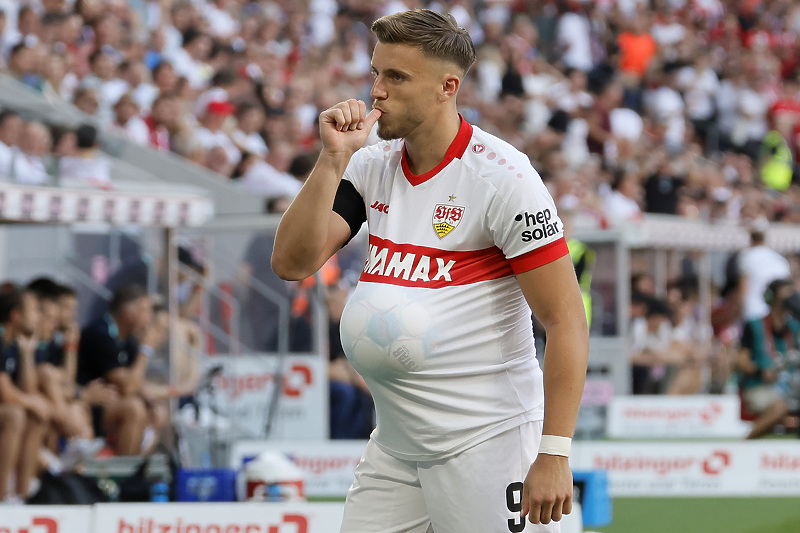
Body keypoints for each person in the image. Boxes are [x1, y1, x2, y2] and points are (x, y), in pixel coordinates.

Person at [271, 9, 588, 532]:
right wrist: (331, 161)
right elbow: (292, 262)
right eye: (375, 73)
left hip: (488, 444)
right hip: (396, 445)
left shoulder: (503, 179)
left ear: (447, 86)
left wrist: (554, 452)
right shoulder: (370, 165)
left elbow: (565, 321)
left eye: (396, 77)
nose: (376, 91)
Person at [77, 284, 158, 456]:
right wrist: (146, 350)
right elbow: (128, 386)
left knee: (156, 413)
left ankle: (136, 474)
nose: (149, 318)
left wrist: (152, 404)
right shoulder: (99, 333)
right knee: (134, 409)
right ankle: (125, 475)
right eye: (145, 311)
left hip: (110, 403)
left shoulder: (127, 339)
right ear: (127, 312)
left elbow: (135, 383)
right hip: (89, 405)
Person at [737, 278, 800, 439]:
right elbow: (741, 361)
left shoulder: (794, 327)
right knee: (780, 407)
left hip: (791, 387)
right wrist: (762, 371)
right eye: (785, 294)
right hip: (760, 386)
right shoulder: (754, 325)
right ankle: (746, 442)